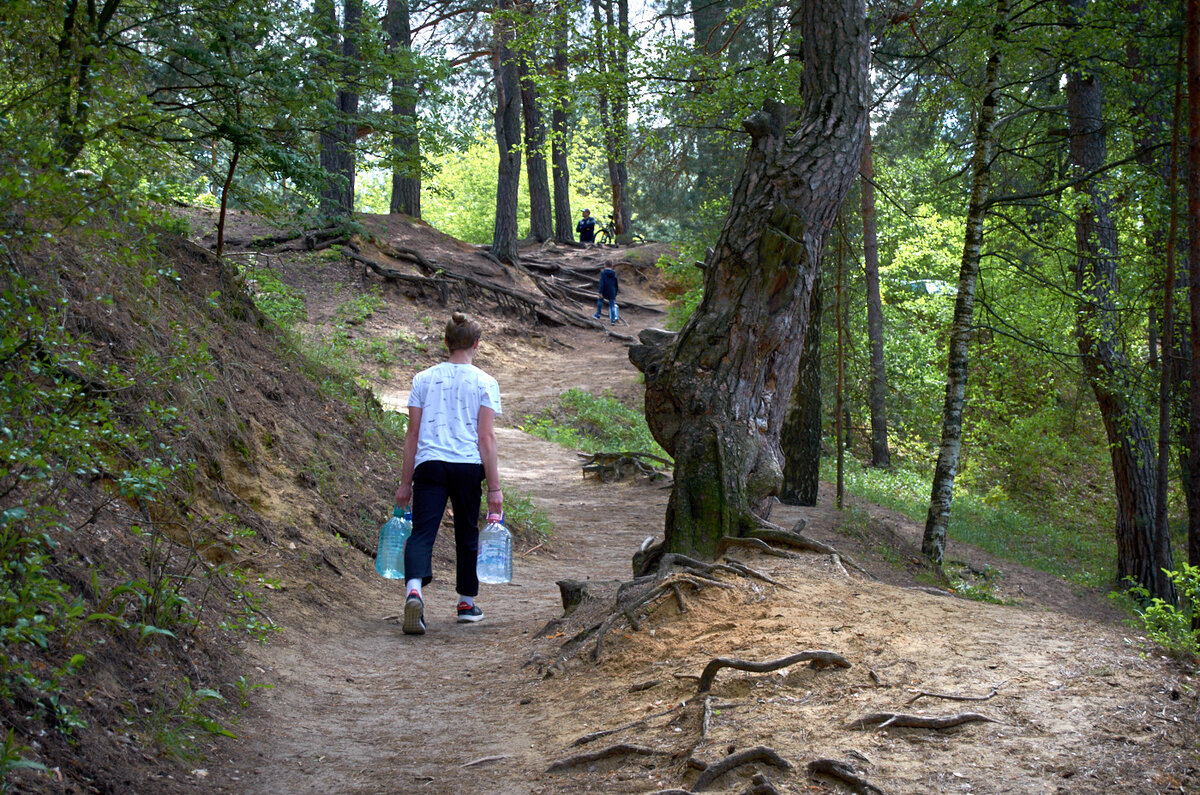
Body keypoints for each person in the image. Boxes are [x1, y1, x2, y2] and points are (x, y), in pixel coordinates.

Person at [394, 313, 503, 635]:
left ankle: (414, 590)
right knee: (467, 533)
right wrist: (495, 489)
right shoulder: (485, 382)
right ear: (477, 344)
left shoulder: (422, 379)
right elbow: (486, 438)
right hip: (468, 466)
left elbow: (412, 434)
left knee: (422, 532)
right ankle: (466, 603)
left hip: (429, 464)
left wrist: (404, 483)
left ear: (446, 342)